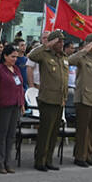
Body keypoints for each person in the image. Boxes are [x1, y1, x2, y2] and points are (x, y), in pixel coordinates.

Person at [27, 30, 68, 171]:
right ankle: (40, 161)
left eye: (62, 41)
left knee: (53, 133)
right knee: (45, 133)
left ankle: (49, 159)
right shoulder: (44, 55)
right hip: (48, 99)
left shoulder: (63, 57)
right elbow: (31, 55)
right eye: (59, 41)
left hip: (59, 100)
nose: (61, 44)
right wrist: (47, 45)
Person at [68, 33, 92, 167]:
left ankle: (88, 155)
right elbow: (69, 61)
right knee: (83, 130)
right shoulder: (82, 58)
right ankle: (80, 156)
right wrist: (84, 49)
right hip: (84, 98)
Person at [0, 44, 25, 174]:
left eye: (16, 57)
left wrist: (22, 104)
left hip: (15, 105)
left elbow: (20, 87)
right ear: (5, 56)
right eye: (12, 56)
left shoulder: (16, 69)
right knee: (1, 135)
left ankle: (7, 162)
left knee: (11, 135)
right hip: (4, 106)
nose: (15, 59)